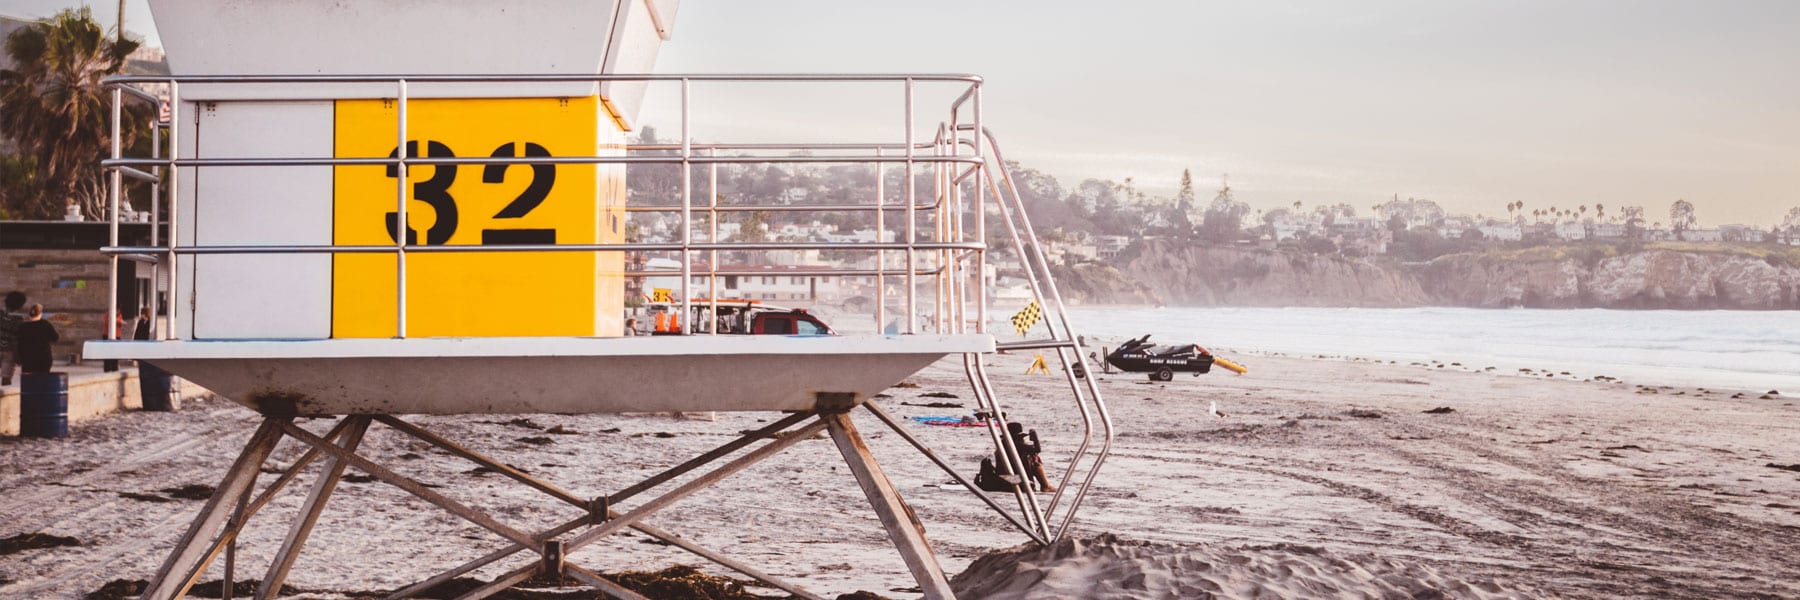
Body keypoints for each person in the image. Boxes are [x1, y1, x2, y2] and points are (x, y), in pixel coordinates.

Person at [1003, 421, 1056, 493]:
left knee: (1032, 457)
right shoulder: (1017, 445)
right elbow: (1037, 449)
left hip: (1005, 476)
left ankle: (1046, 486)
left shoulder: (1003, 444)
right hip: (1014, 477)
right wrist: (1035, 438)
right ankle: (1045, 486)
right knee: (1035, 460)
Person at [16, 304, 60, 375]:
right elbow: (55, 338)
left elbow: (17, 342)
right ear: (40, 313)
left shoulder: (22, 326)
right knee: (42, 380)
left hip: (27, 359)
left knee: (29, 381)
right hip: (43, 358)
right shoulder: (45, 324)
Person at [0, 291, 24, 385]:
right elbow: (16, 340)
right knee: (6, 378)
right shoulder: (19, 321)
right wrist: (18, 356)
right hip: (9, 351)